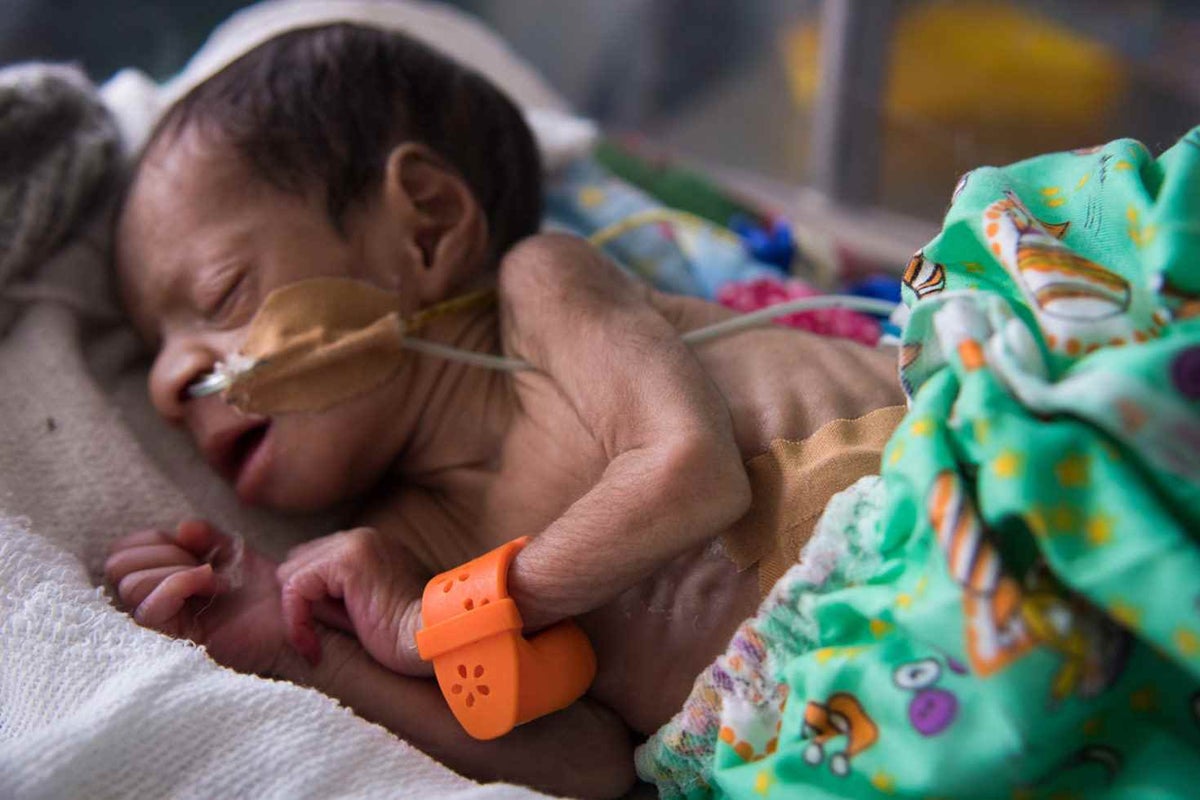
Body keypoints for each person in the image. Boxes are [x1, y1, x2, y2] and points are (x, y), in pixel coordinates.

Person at [105, 21, 905, 799]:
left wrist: (442, 622)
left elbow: (691, 473)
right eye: (156, 347)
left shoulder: (543, 293)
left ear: (427, 223)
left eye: (220, 293)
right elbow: (587, 763)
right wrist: (303, 646)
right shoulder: (395, 555)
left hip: (948, 505)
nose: (168, 386)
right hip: (861, 734)